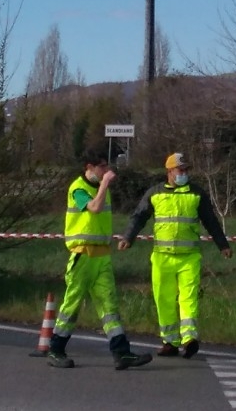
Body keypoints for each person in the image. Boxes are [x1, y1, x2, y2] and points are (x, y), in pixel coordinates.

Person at [46, 150, 152, 371]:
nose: (106, 170)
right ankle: (56, 349)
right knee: (72, 305)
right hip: (83, 255)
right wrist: (104, 184)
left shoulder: (103, 190)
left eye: (106, 166)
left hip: (102, 256)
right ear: (89, 167)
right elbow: (93, 208)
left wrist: (103, 186)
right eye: (102, 166)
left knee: (109, 305)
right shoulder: (78, 188)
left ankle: (121, 352)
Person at [119, 152, 232, 359]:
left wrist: (222, 245)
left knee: (189, 298)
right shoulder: (155, 193)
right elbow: (139, 216)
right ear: (169, 171)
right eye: (181, 170)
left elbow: (210, 220)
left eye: (187, 170)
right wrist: (128, 237)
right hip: (162, 257)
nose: (184, 173)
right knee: (164, 299)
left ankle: (189, 338)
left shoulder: (196, 194)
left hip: (189, 257)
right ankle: (170, 341)